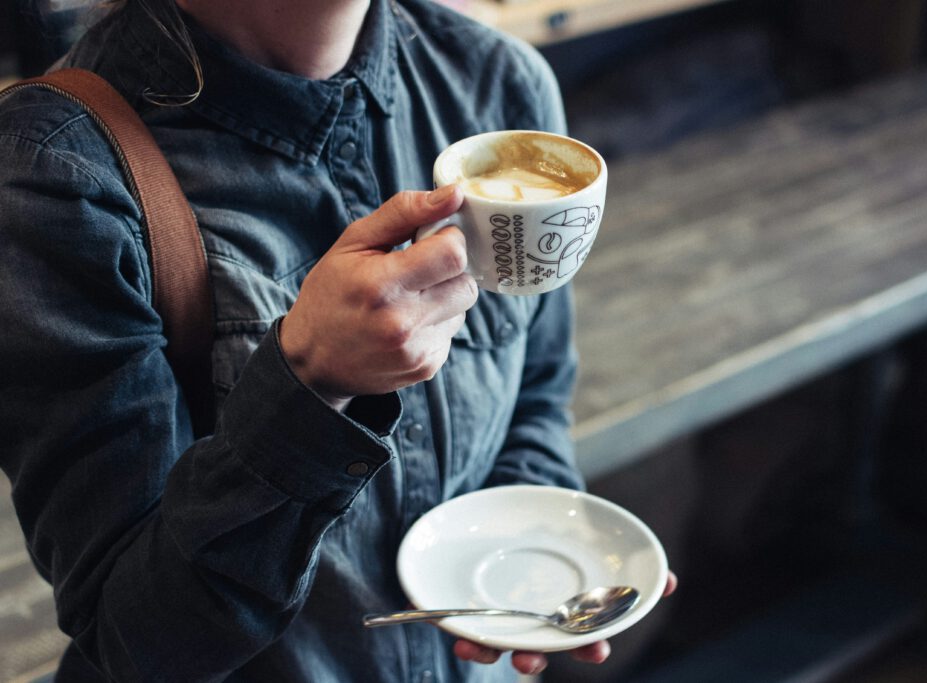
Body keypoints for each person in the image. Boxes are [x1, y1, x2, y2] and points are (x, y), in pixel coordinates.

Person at [0, 0, 674, 681]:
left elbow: (537, 392)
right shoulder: (53, 174)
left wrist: (520, 573)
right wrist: (309, 383)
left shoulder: (496, 83)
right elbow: (134, 642)